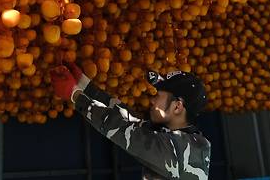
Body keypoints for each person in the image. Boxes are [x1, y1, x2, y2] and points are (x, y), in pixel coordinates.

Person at [51, 63, 211, 180]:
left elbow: (123, 130)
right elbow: (128, 119)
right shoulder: (179, 138)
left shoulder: (178, 150)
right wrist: (86, 87)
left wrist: (75, 95)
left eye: (158, 96)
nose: (152, 101)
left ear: (177, 107)